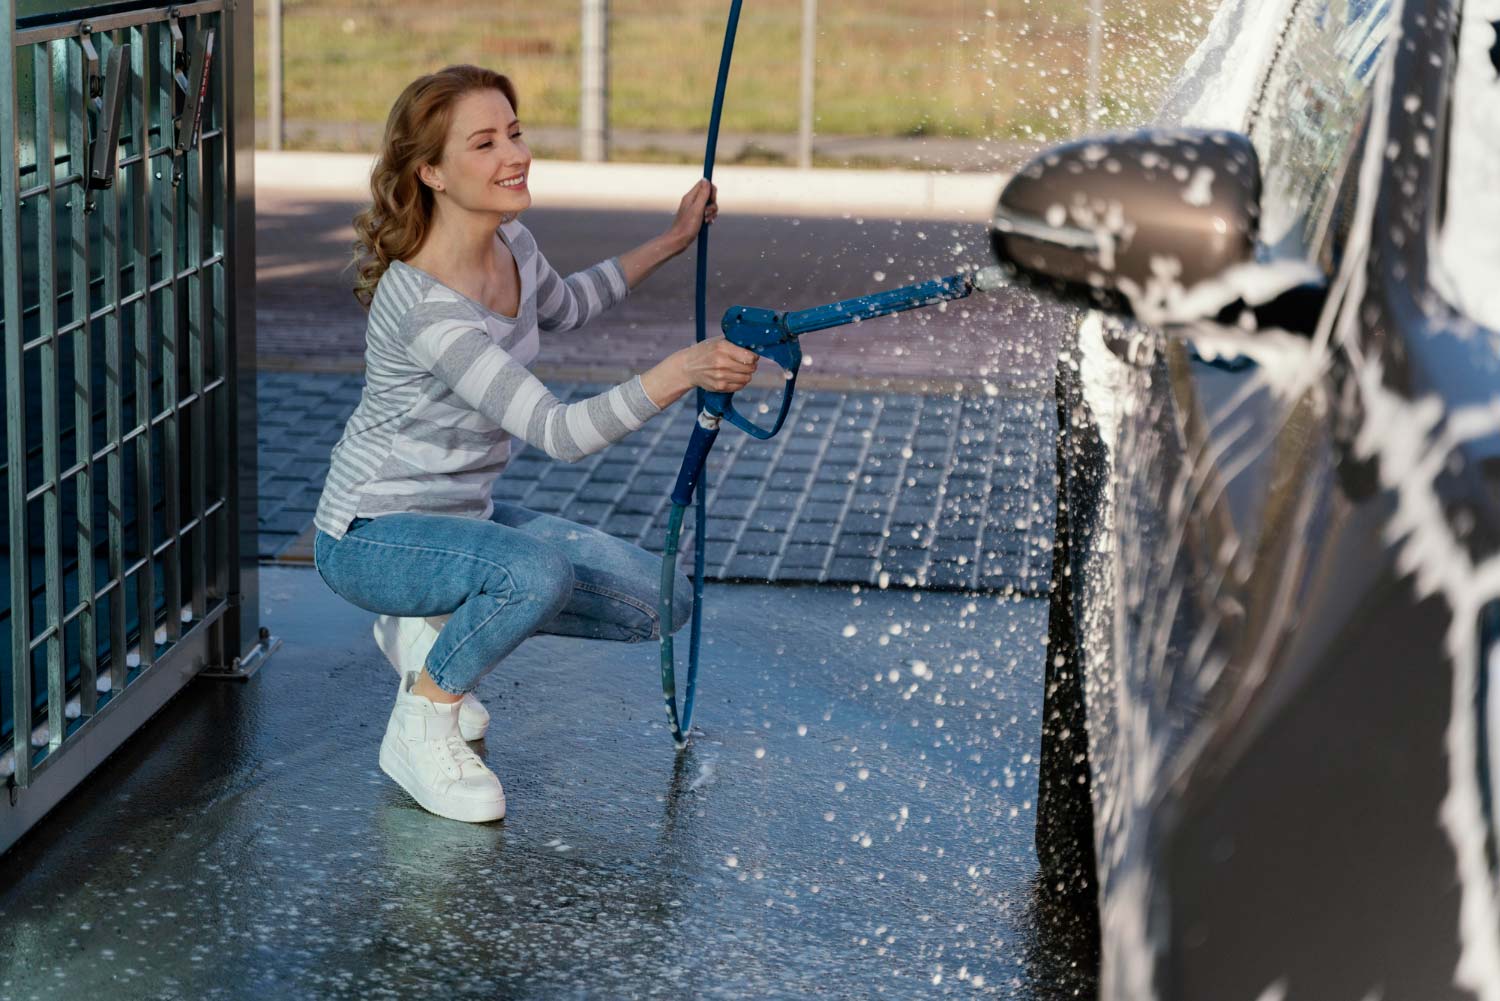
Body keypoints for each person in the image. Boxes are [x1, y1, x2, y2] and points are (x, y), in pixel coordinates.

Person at [312, 64, 759, 824]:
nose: (513, 155)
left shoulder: (510, 242)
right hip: (370, 535)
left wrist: (674, 240)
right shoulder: (429, 309)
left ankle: (430, 627)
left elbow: (572, 304)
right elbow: (561, 433)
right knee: (534, 573)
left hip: (462, 520)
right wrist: (684, 369)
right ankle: (424, 718)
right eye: (483, 144)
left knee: (662, 600)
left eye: (513, 133)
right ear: (432, 172)